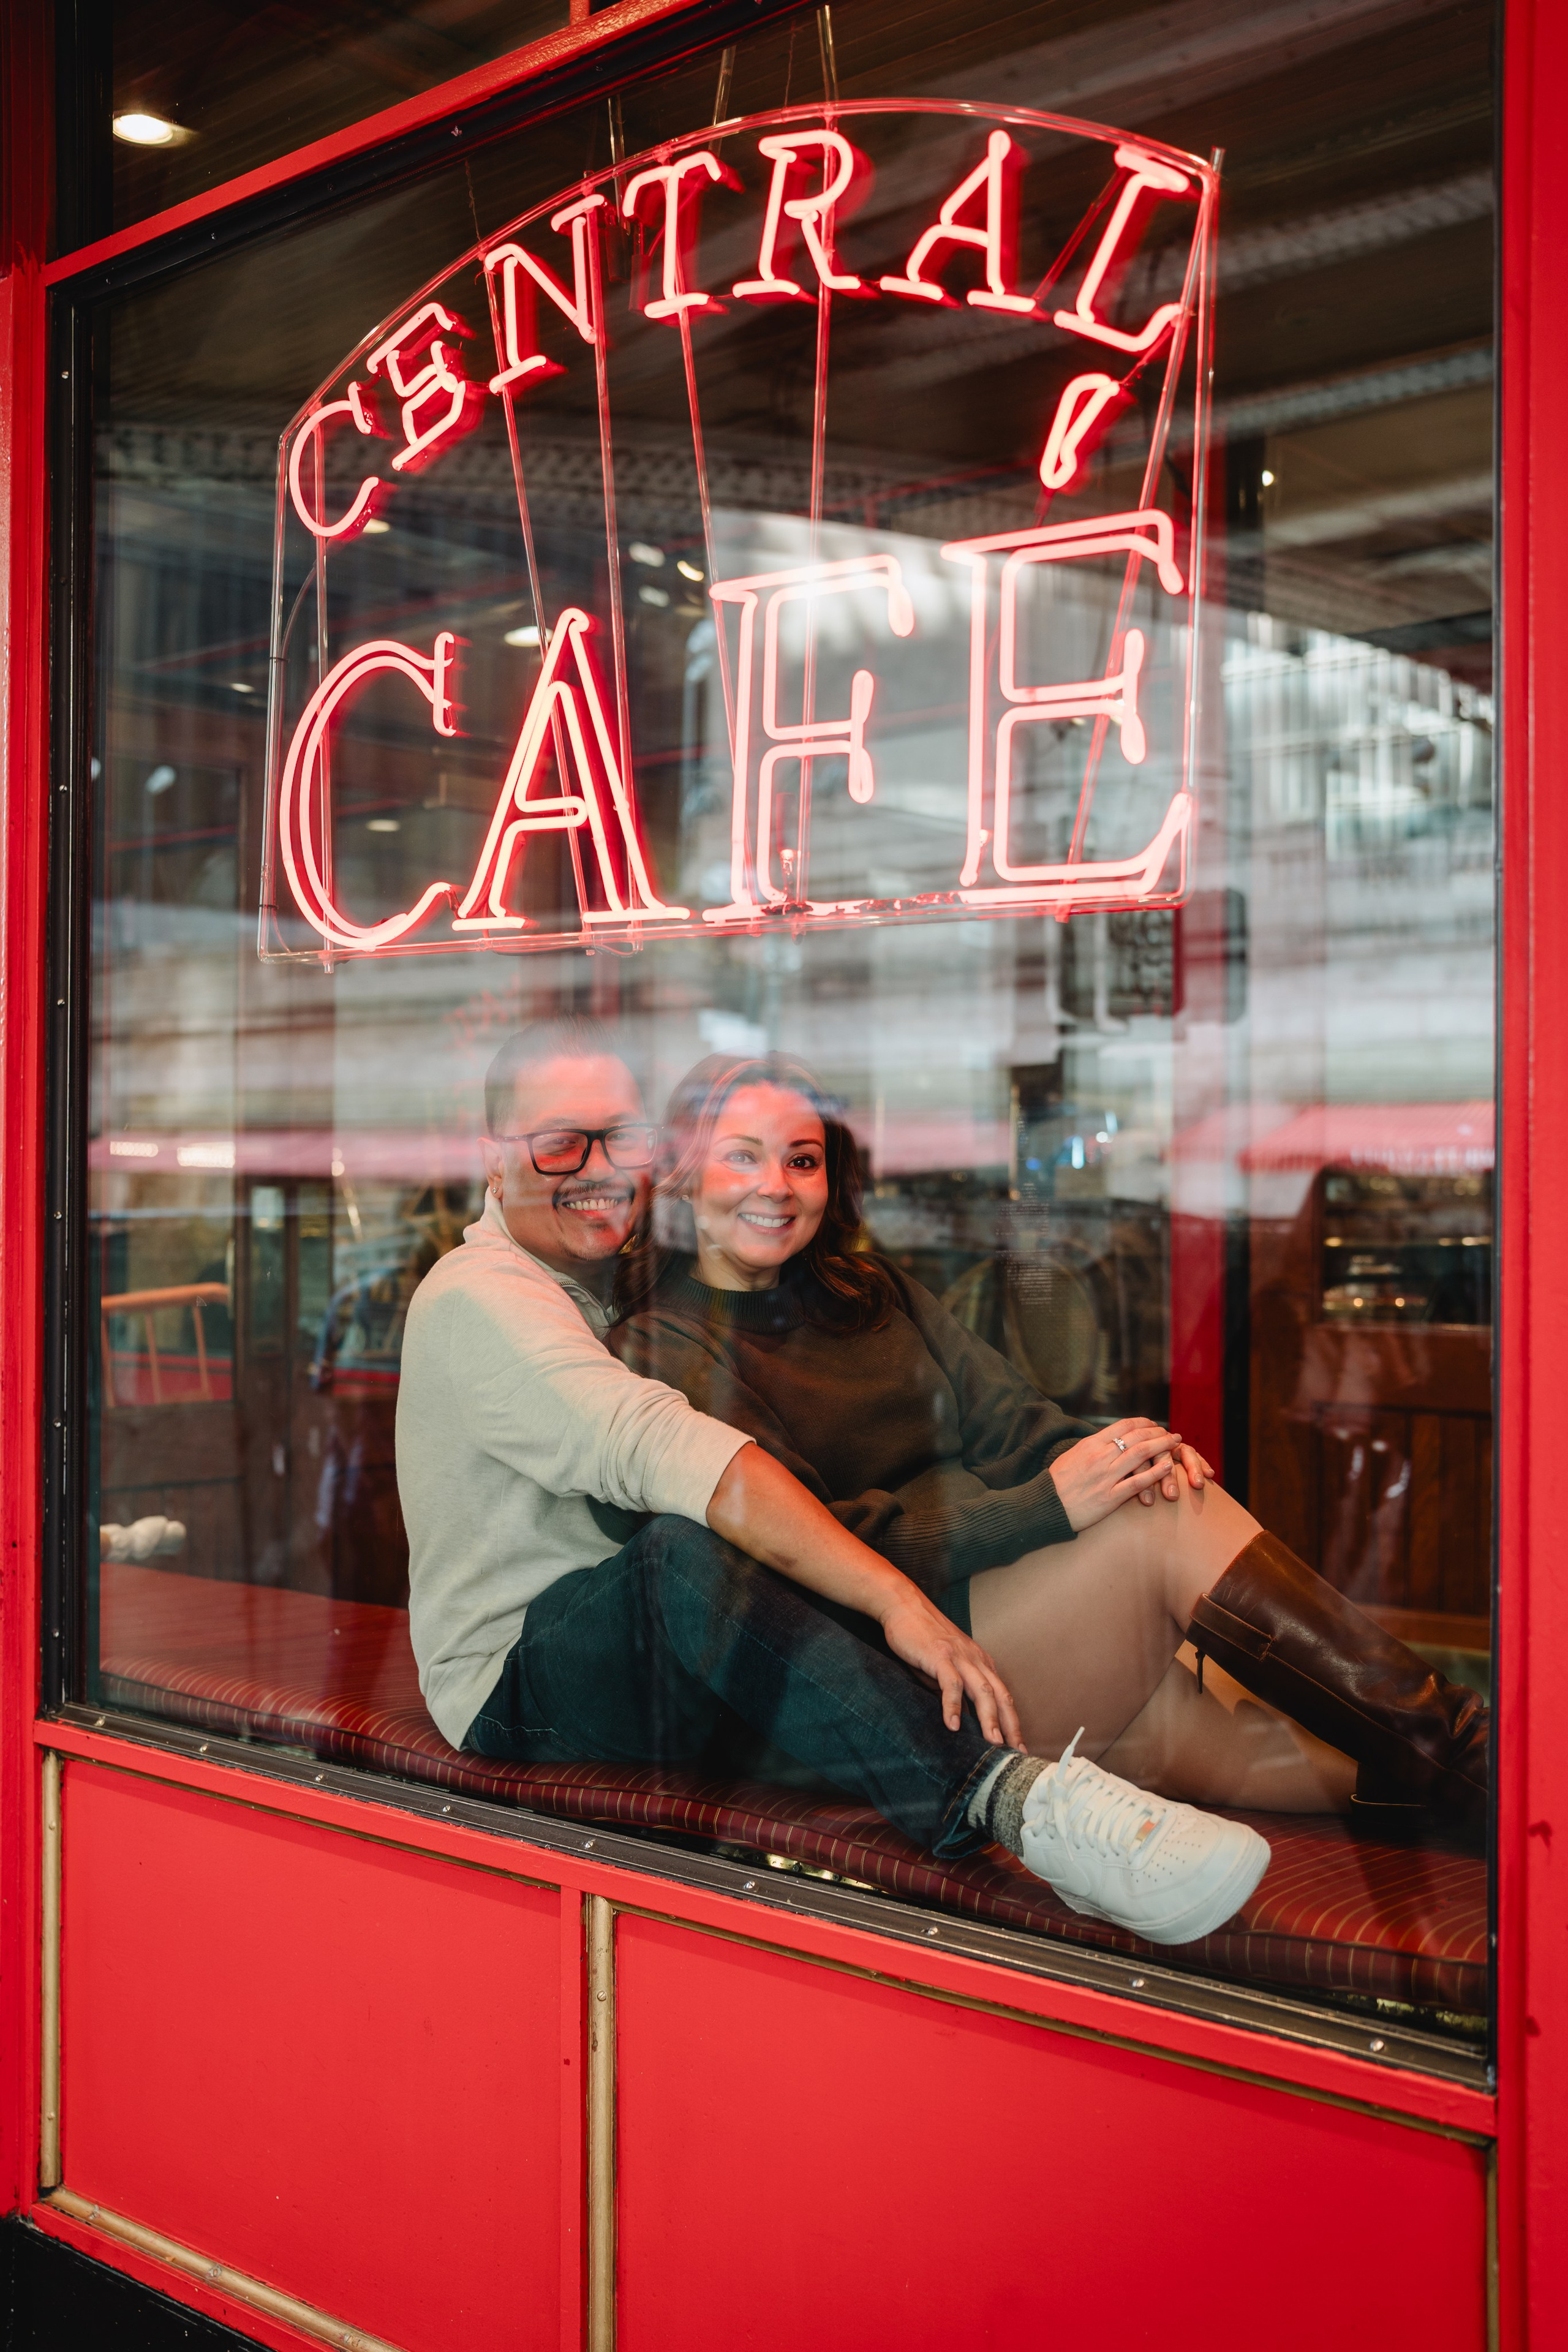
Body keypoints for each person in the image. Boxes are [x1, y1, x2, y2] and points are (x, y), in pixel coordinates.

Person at [395, 1017, 1274, 1950]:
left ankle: (1419, 1756)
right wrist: (898, 1598)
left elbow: (1009, 1422)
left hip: (707, 1652)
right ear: (493, 1160)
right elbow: (670, 1456)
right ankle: (1014, 1802)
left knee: (1195, 1665)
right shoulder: (480, 1294)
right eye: (561, 1143)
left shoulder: (621, 1280)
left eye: (623, 1138)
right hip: (520, 1678)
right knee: (686, 1545)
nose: (600, 1167)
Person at [608, 1052, 1490, 1840]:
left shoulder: (866, 1291)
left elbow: (1016, 1422)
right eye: (743, 1156)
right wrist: (1052, 1505)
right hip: (889, 1680)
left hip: (1007, 1619)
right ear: (684, 1177)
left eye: (803, 1161)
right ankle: (1468, 1746)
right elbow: (808, 1552)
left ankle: (1489, 1797)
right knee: (1165, 1521)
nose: (780, 1186)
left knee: (1240, 1743)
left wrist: (1120, 1452)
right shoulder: (665, 1349)